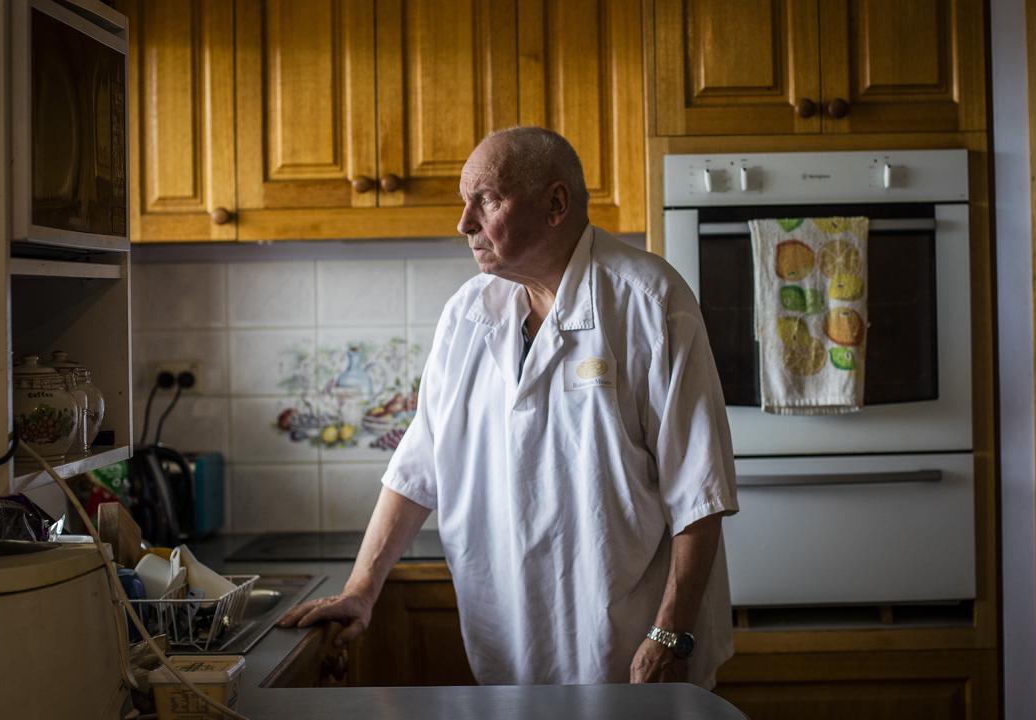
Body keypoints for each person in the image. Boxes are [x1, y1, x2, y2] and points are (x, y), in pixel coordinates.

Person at [278, 127, 739, 687]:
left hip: (635, 652)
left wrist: (669, 635)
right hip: (508, 647)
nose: (464, 223)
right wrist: (360, 591)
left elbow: (699, 493)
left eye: (487, 200)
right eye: (463, 202)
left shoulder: (649, 302)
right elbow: (419, 468)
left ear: (555, 204)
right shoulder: (467, 314)